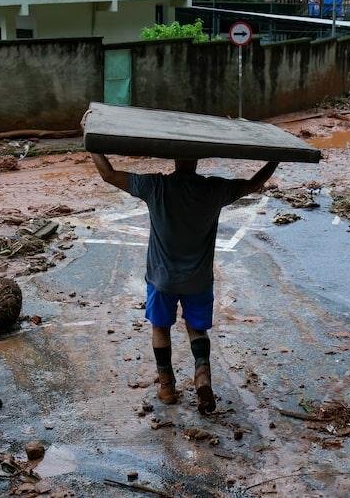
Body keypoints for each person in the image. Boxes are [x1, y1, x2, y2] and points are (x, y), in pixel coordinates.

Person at [91, 154, 278, 413]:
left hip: (161, 278)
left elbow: (109, 174)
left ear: (174, 157)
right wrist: (275, 159)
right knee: (197, 330)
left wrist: (92, 144)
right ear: (197, 158)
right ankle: (202, 377)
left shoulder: (155, 186)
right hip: (198, 280)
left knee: (160, 328)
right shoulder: (214, 189)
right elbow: (254, 184)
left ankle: (167, 387)